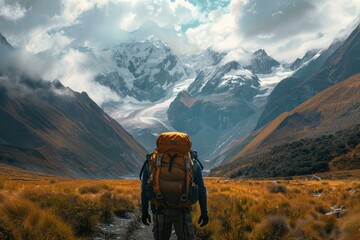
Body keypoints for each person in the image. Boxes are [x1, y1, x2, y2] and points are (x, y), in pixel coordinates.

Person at [141, 149, 209, 240]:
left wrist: (144, 212)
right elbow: (201, 189)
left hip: (160, 209)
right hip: (183, 210)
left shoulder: (153, 160)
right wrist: (204, 212)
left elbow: (144, 189)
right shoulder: (191, 160)